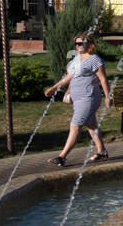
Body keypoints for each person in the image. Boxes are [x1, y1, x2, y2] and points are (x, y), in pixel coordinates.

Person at [44, 34, 111, 166]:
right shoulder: (77, 58)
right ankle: (102, 151)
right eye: (76, 43)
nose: (78, 46)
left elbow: (103, 79)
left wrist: (108, 97)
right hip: (78, 98)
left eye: (80, 43)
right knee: (91, 125)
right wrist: (53, 88)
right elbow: (68, 77)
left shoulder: (94, 59)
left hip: (89, 98)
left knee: (75, 125)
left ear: (89, 44)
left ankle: (62, 156)